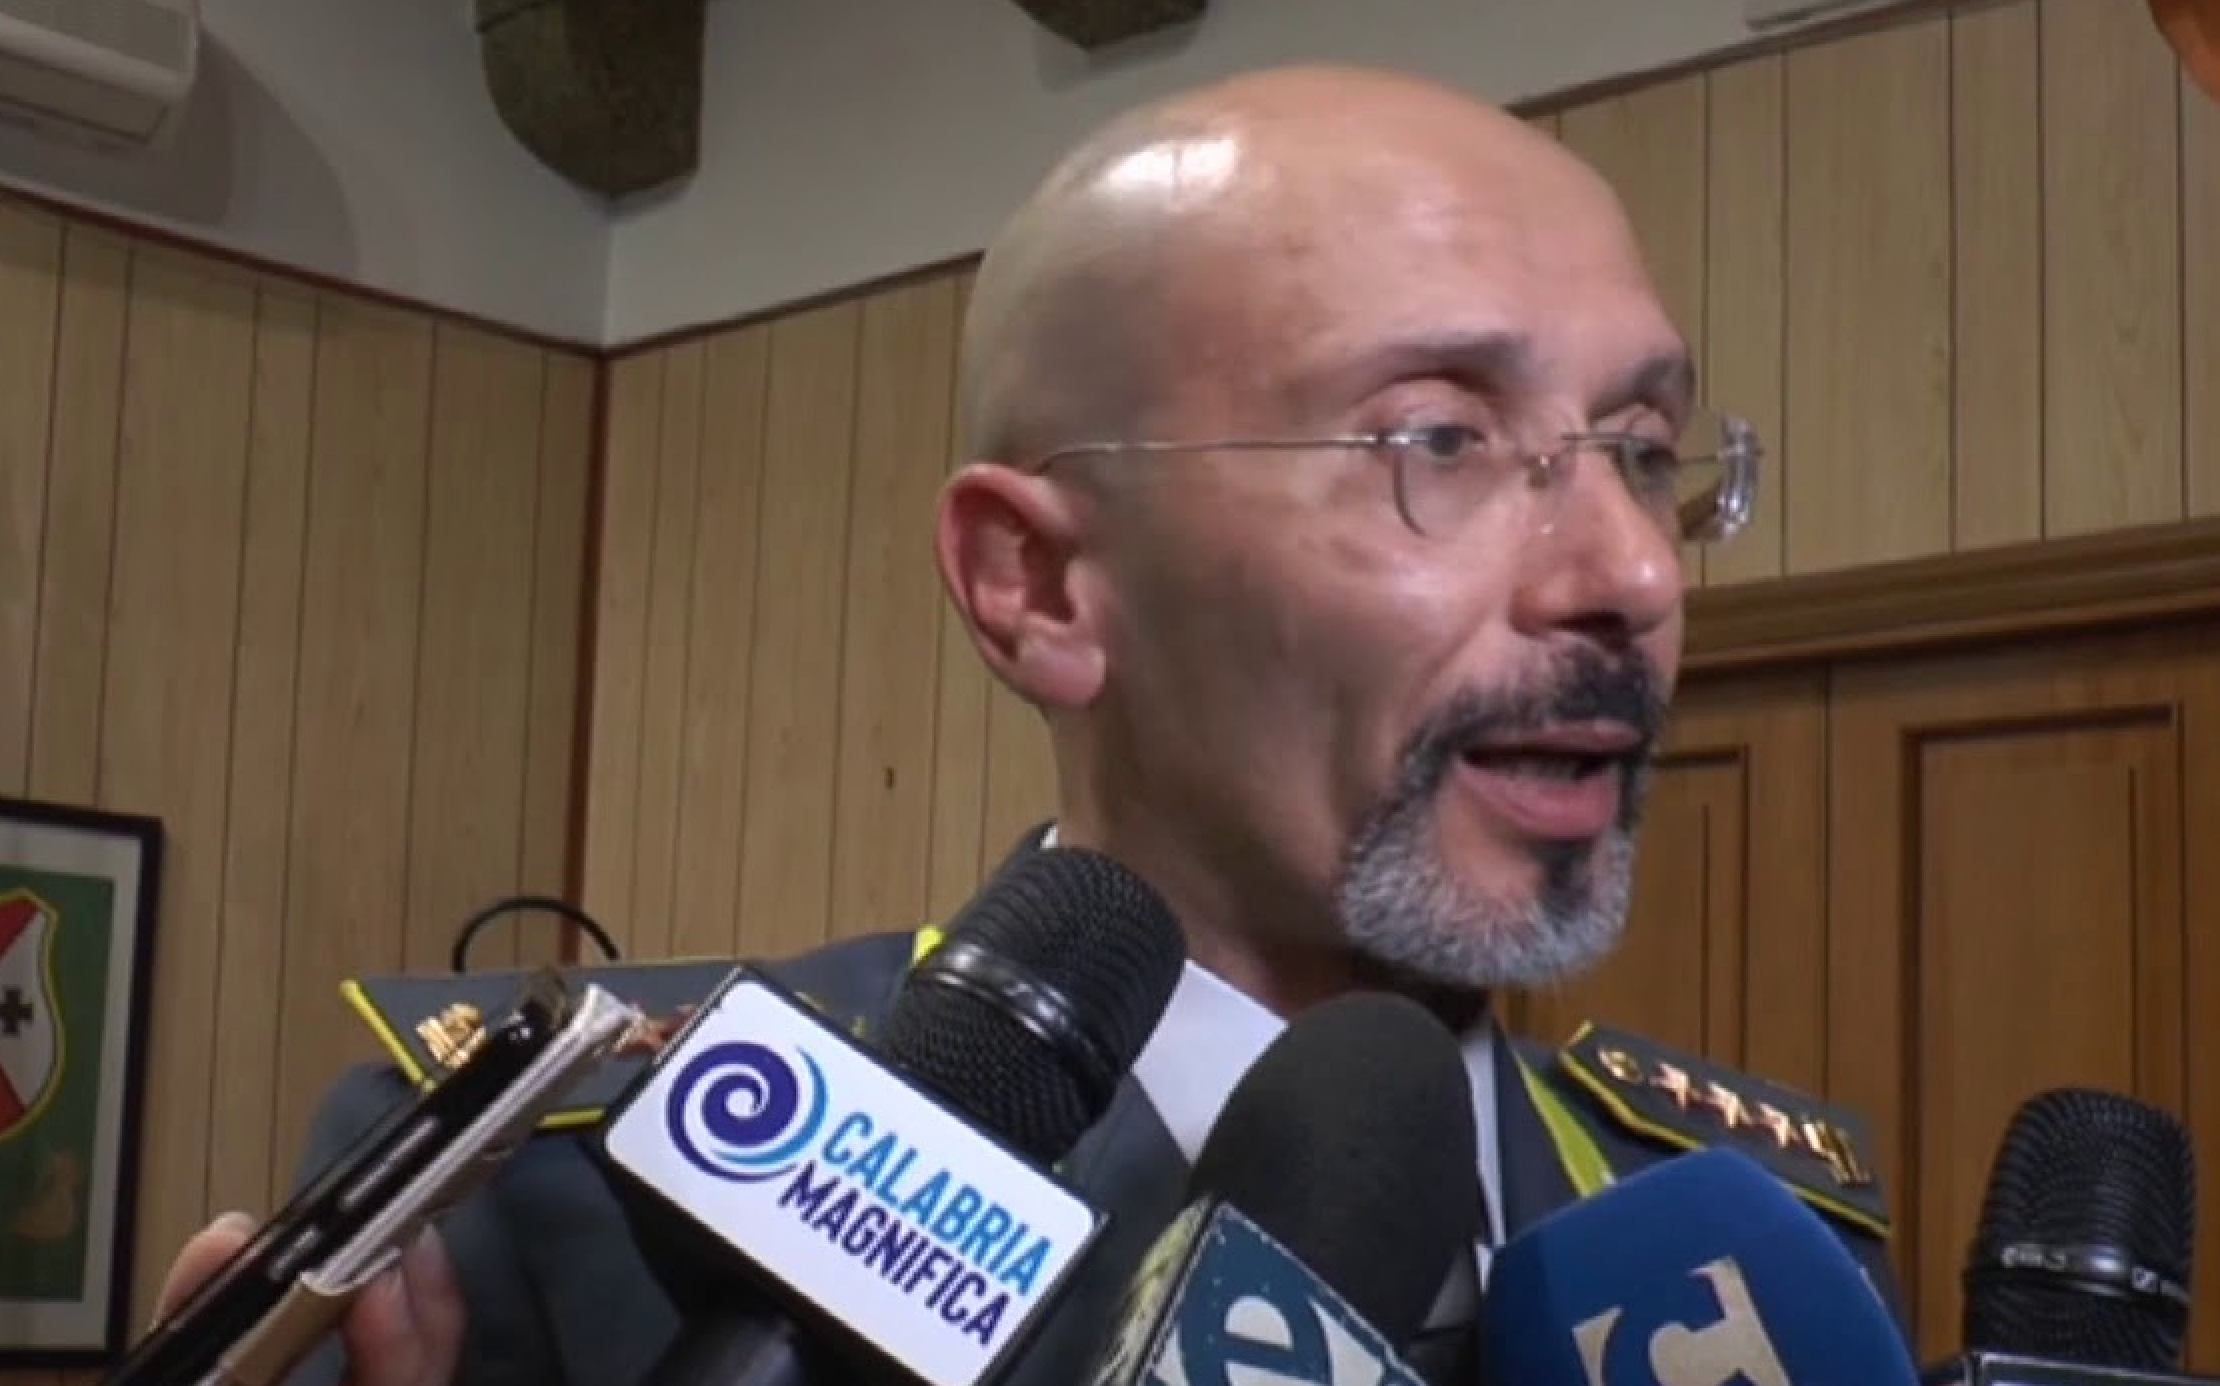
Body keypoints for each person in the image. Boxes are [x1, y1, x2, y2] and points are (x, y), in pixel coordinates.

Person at [155, 62, 1901, 1386]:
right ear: (1041, 585)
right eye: (1437, 441)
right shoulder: (568, 1195)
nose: (1632, 575)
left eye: (1644, 453)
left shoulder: (1756, 1256)